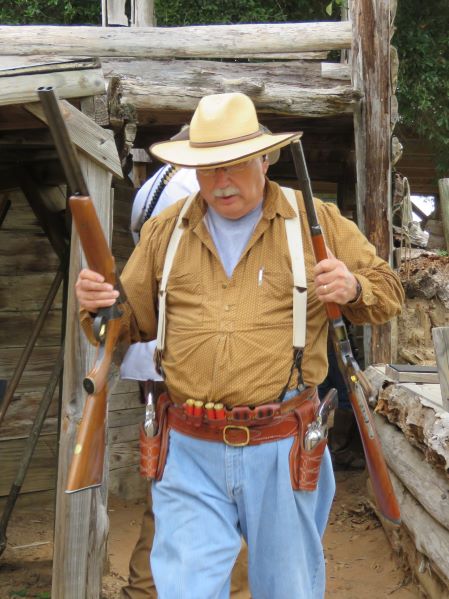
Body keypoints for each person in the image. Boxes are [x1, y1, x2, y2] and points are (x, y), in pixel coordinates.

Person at [76, 92, 404, 599]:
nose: (220, 182)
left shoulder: (313, 219)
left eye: (233, 165)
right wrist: (99, 305)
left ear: (264, 159)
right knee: (185, 591)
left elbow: (389, 291)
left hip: (283, 447)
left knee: (286, 590)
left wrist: (353, 287)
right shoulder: (168, 230)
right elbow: (125, 323)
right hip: (187, 447)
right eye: (208, 169)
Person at [120, 165, 199, 599]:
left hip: (157, 355)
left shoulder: (156, 183)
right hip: (179, 355)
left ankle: (144, 588)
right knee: (176, 485)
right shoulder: (190, 186)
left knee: (166, 482)